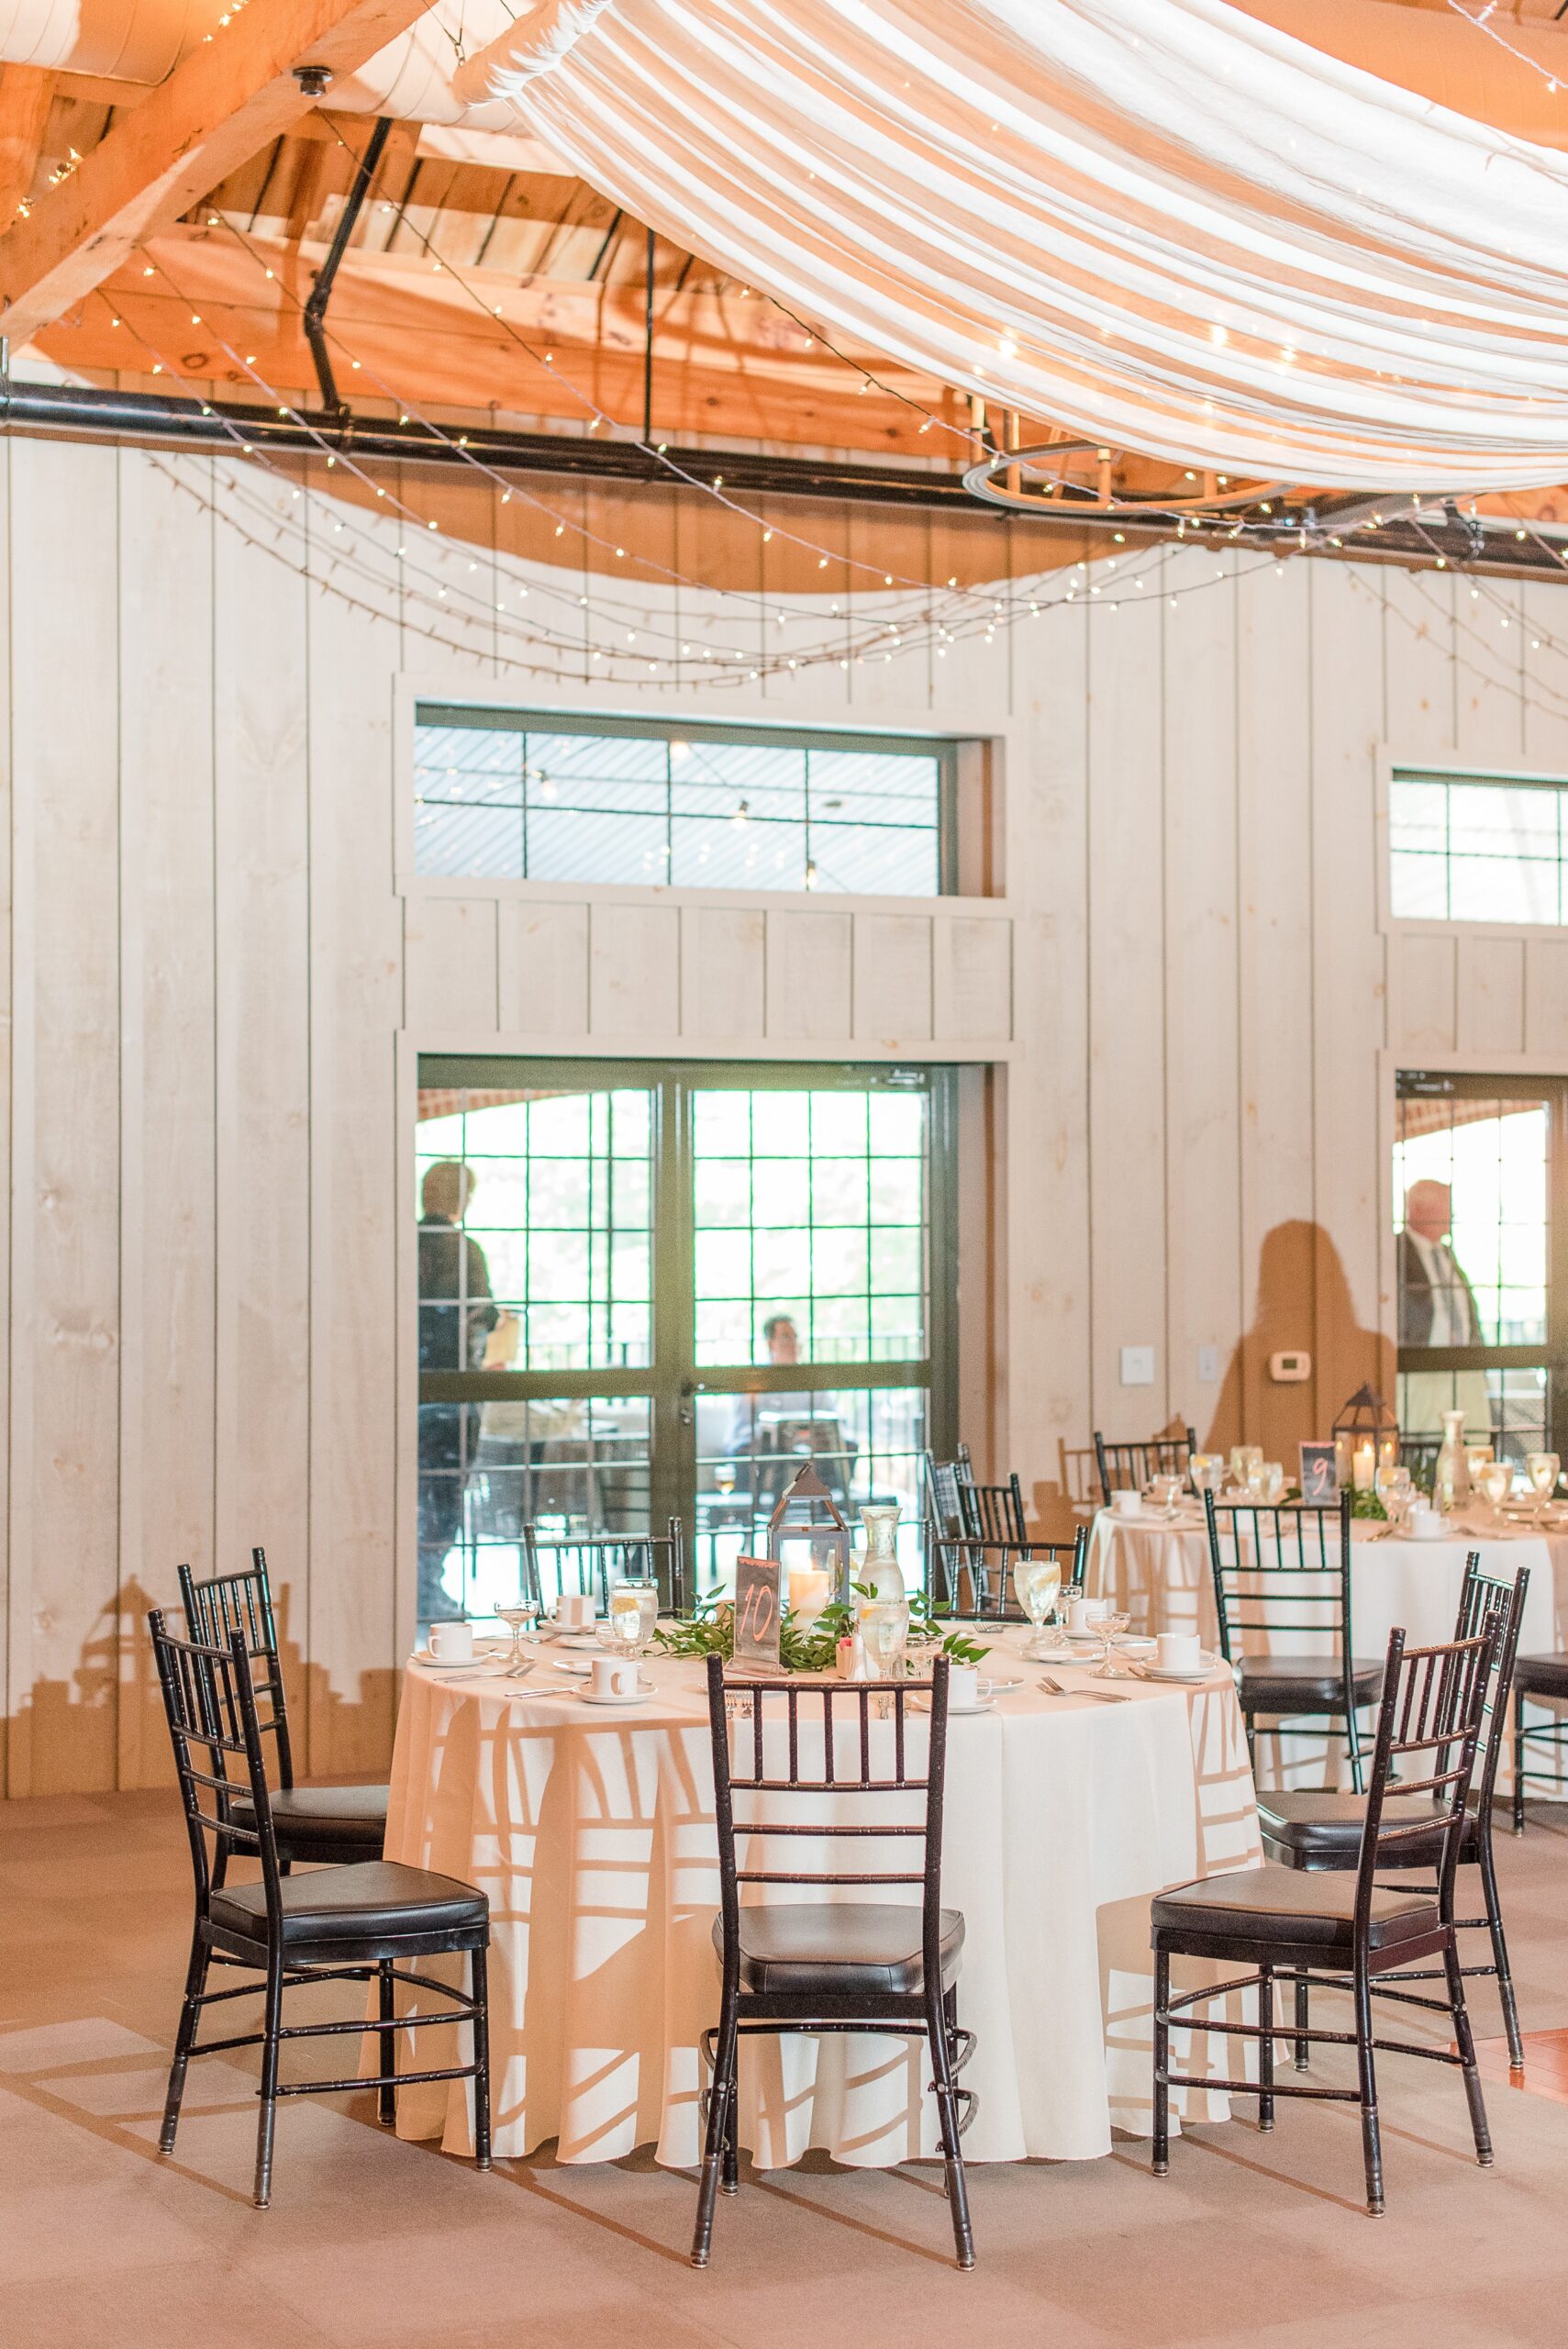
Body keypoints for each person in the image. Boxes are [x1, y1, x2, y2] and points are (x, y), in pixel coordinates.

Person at [417, 1160, 497, 1629]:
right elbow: (475, 1315)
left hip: (406, 1389)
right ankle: (428, 1584)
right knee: (445, 1488)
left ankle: (416, 1581)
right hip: (454, 1390)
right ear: (460, 1198)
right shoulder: (464, 1250)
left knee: (408, 1487)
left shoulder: (402, 1245)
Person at [1397, 1179, 1491, 1442]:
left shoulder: (1447, 1255)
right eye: (1445, 1207)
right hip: (1421, 1372)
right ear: (1418, 1209)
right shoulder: (1397, 1253)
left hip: (1463, 1370)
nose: (1451, 1215)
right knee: (1423, 1443)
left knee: (1471, 1443)